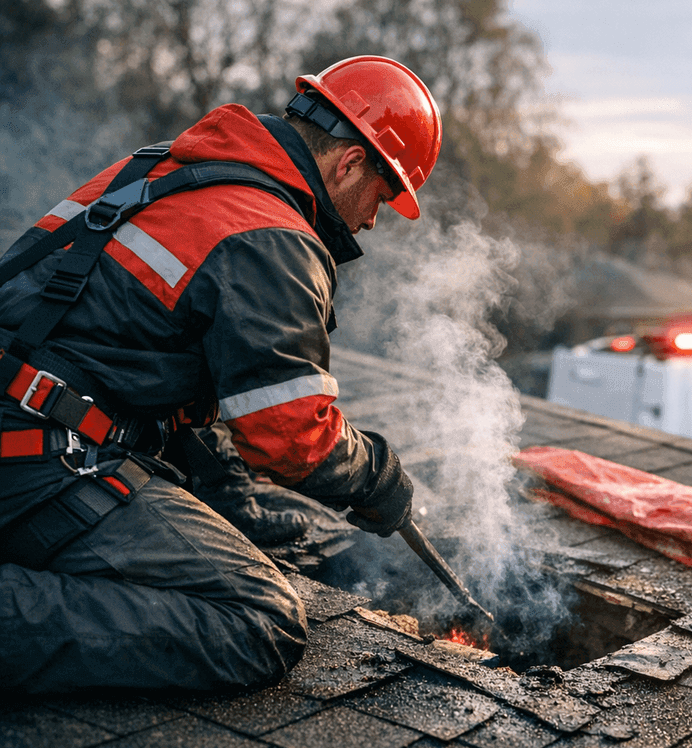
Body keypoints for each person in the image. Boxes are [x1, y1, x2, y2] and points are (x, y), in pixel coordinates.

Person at [0, 55, 441, 694]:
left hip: (24, 418)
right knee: (259, 619)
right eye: (383, 193)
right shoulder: (272, 238)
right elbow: (292, 440)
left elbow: (137, 358)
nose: (373, 220)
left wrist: (233, 502)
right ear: (350, 164)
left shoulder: (164, 167)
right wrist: (379, 478)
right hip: (36, 459)